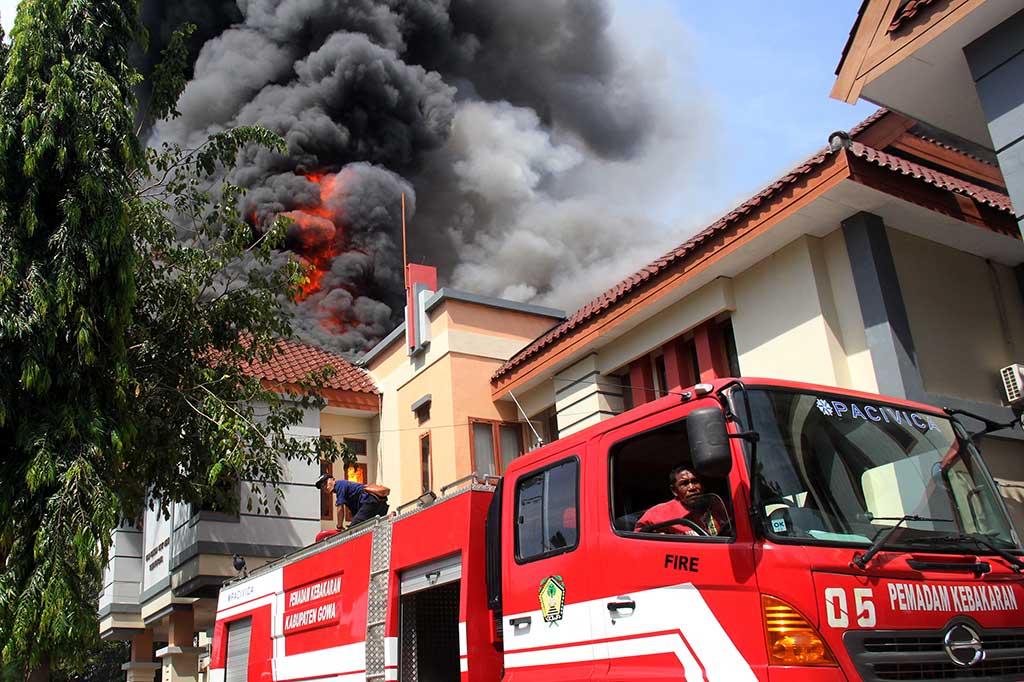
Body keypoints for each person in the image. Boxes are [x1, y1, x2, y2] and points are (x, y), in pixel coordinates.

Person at [634, 465, 729, 536]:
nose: (692, 487)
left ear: (703, 485)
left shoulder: (719, 505)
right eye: (685, 484)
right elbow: (638, 537)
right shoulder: (658, 513)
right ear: (674, 490)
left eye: (695, 481)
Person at [316, 473, 390, 529]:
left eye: (326, 483)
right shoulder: (348, 496)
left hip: (370, 501)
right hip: (380, 503)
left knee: (355, 528)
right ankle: (390, 519)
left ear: (333, 479)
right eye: (322, 487)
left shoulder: (339, 485)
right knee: (374, 525)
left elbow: (340, 508)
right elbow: (357, 513)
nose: (325, 487)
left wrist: (339, 526)